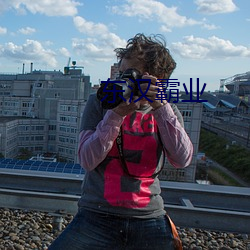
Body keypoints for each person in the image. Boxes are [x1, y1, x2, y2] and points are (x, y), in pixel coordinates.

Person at [48, 33, 193, 250]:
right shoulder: (99, 103)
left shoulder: (168, 113)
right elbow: (87, 160)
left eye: (132, 74)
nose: (125, 79)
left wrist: (161, 108)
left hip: (149, 215)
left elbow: (182, 159)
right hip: (96, 213)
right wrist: (115, 114)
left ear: (158, 78)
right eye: (122, 72)